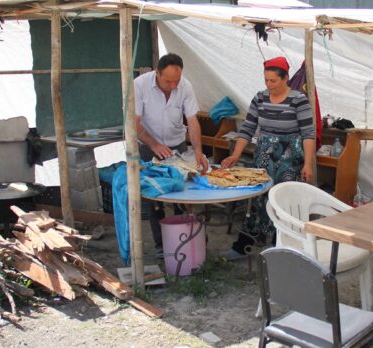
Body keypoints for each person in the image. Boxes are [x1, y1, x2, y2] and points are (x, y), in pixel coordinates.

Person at [220, 56, 315, 260]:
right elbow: (247, 129)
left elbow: (308, 134)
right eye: (266, 81)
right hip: (264, 158)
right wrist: (235, 155)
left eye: (274, 81)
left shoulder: (298, 100)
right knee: (257, 200)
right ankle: (242, 247)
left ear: (286, 78)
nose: (269, 85)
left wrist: (308, 164)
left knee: (282, 203)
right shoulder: (260, 98)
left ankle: (280, 250)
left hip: (290, 159)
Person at [134, 53, 209, 257]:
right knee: (153, 196)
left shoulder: (185, 86)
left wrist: (199, 152)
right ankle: (161, 246)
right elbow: (134, 121)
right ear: (157, 73)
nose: (174, 85)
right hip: (149, 145)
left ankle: (184, 238)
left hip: (178, 144)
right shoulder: (140, 85)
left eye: (177, 80)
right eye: (168, 81)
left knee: (183, 193)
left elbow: (192, 121)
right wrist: (154, 144)